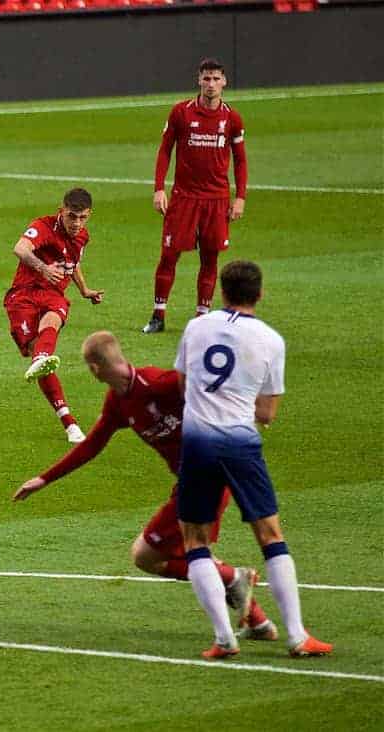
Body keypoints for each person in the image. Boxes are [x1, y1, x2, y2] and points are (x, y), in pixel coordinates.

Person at [13, 331, 276, 641]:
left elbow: (212, 395)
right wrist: (44, 479)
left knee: (148, 555)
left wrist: (250, 416)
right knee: (179, 554)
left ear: (95, 368)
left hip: (209, 476)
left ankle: (234, 583)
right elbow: (92, 445)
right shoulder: (118, 402)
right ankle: (258, 622)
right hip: (192, 482)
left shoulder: (160, 384)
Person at [174, 260, 331, 658]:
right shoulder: (271, 340)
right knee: (270, 535)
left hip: (195, 442)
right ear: (259, 294)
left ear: (222, 292)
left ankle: (224, 639)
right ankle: (297, 636)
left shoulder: (197, 327)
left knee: (195, 540)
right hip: (241, 443)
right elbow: (266, 414)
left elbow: (182, 384)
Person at [143, 58, 247, 334]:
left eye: (216, 79)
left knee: (210, 259)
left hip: (216, 199)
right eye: (206, 78)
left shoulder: (232, 118)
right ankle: (158, 315)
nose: (211, 84)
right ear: (198, 80)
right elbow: (165, 150)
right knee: (169, 255)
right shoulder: (181, 112)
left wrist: (240, 198)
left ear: (224, 81)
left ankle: (202, 317)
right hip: (184, 198)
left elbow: (241, 160)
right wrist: (158, 188)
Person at [4, 188, 104, 444]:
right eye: (72, 217)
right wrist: (42, 268)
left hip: (52, 295)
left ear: (89, 215)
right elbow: (20, 248)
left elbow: (74, 263)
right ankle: (40, 357)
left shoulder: (82, 236)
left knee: (51, 325)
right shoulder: (43, 226)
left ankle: (69, 424)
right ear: (62, 210)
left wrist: (84, 290)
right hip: (23, 295)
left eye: (82, 218)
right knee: (34, 352)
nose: (77, 223)